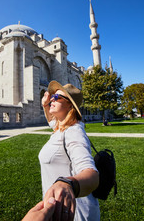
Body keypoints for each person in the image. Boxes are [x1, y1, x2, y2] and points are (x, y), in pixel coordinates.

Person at [39, 80, 100, 221]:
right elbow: (51, 121)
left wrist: (68, 184)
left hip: (76, 213)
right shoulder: (61, 127)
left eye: (57, 97)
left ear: (69, 105)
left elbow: (92, 175)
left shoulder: (74, 132)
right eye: (52, 97)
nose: (52, 99)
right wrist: (45, 105)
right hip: (59, 210)